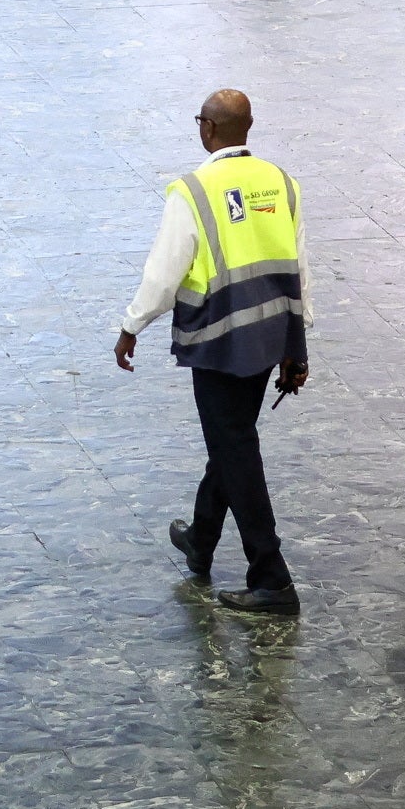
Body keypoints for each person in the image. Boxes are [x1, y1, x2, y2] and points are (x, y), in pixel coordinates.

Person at [116, 88, 306, 618]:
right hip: (270, 335)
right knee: (232, 439)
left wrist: (132, 326)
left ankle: (272, 577)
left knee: (236, 447)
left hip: (220, 340)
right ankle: (201, 537)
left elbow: (163, 273)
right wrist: (297, 343)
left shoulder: (193, 191)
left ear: (207, 129)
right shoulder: (281, 182)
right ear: (249, 126)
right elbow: (300, 264)